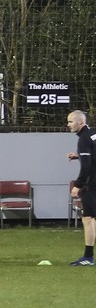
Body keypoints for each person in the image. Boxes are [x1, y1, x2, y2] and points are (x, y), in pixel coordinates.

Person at [68, 110, 95, 266]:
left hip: (92, 184)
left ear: (80, 122)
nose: (68, 124)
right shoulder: (93, 133)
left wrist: (78, 185)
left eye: (71, 121)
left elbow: (86, 166)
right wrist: (78, 156)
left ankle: (88, 257)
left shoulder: (84, 139)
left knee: (88, 218)